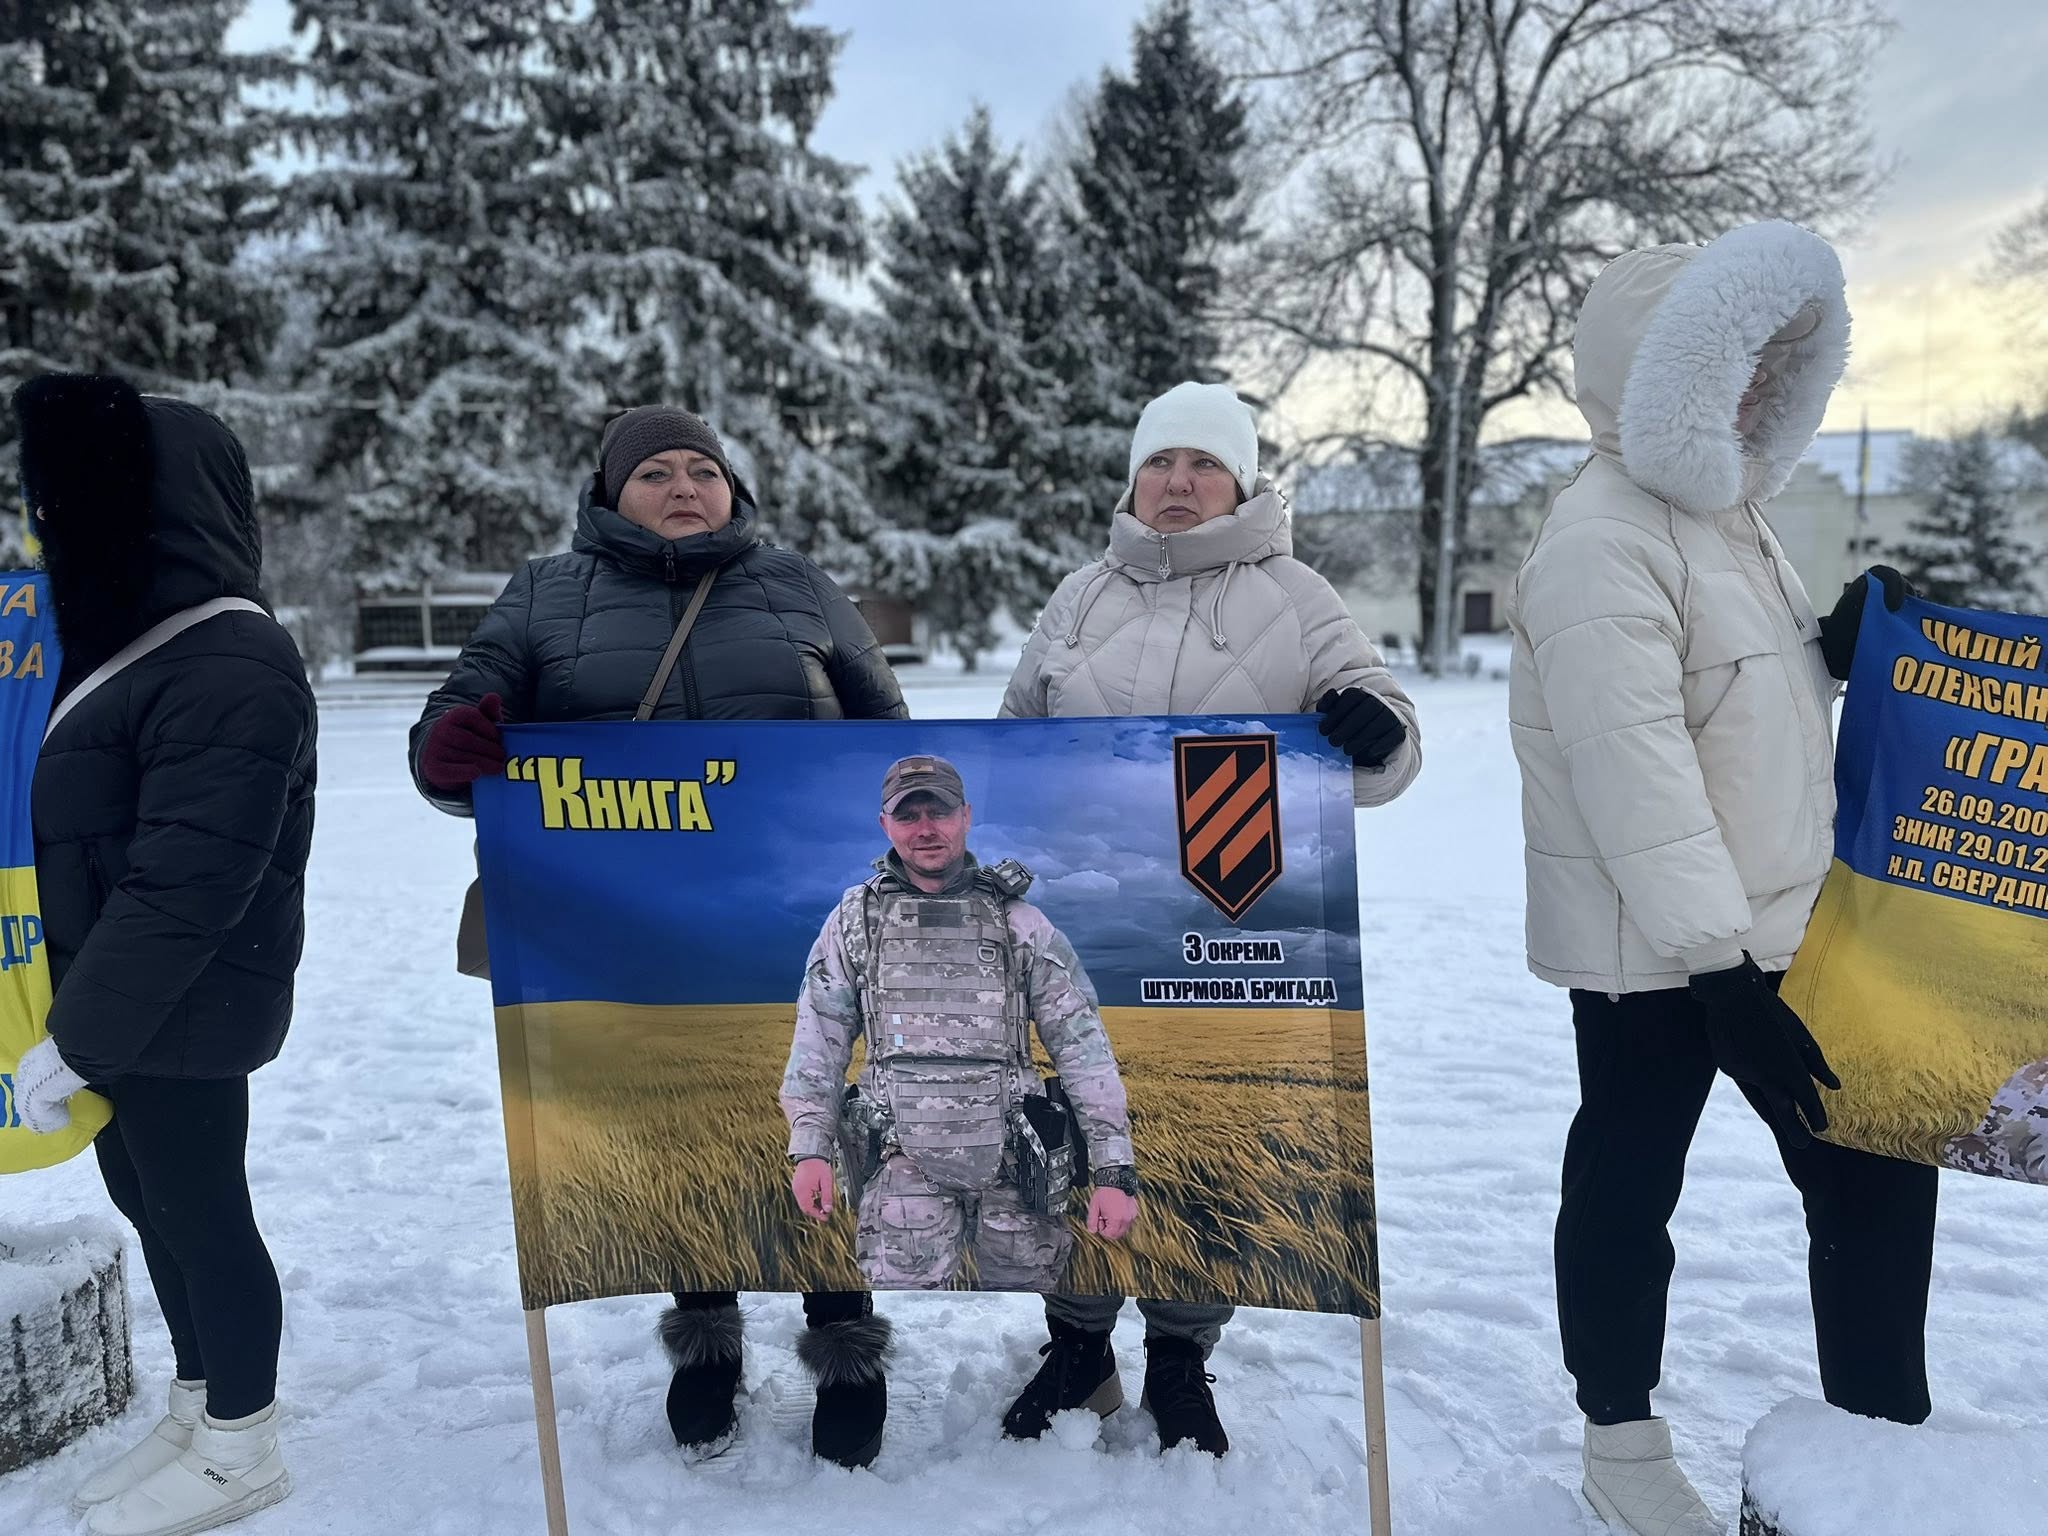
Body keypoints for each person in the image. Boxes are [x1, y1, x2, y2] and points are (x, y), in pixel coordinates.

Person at [1507, 220, 1939, 1536]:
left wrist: (1833, 647)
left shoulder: (1727, 520)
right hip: (1665, 954)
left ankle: (1879, 1445)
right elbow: (1632, 768)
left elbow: (1729, 712)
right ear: (1659, 371)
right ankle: (1621, 1450)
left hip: (1768, 931)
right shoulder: (1599, 537)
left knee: (1873, 1173)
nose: (1752, 389)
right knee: (1631, 1184)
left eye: (1767, 367)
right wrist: (1721, 968)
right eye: (1727, 365)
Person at [409, 406, 907, 1468]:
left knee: (819, 1108)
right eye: (655, 474)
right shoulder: (545, 593)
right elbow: (453, 727)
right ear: (608, 493)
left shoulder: (799, 586)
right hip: (622, 933)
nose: (683, 486)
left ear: (733, 492)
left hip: (797, 917)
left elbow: (891, 742)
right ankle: (706, 1339)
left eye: (703, 471)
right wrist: (448, 750)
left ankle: (844, 1338)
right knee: (675, 1120)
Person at [998, 380, 1421, 1456]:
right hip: (1080, 930)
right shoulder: (1079, 597)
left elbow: (1389, 733)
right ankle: (1077, 1337)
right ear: (1133, 477)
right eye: (1159, 463)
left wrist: (1374, 731)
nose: (1177, 482)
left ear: (1238, 481)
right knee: (1068, 1123)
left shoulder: (1291, 593)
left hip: (1230, 933)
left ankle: (1180, 1356)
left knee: (1199, 1139)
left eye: (1202, 464)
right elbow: (1011, 743)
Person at [9, 373, 318, 1536]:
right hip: (115, 995)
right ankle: (198, 1404)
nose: (52, 530)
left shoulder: (229, 658)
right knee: (150, 1204)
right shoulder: (124, 650)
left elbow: (187, 880)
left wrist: (79, 1035)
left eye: (75, 503)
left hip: (183, 998)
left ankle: (244, 1445)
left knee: (202, 1213)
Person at [778, 754, 1137, 1333]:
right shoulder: (854, 921)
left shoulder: (1019, 922)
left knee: (1023, 1325)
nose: (925, 828)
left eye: (939, 811)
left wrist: (1114, 1172)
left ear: (965, 815)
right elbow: (819, 1039)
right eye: (908, 814)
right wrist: (810, 1149)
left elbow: (1082, 1047)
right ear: (885, 825)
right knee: (909, 1330)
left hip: (1015, 1166)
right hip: (899, 1165)